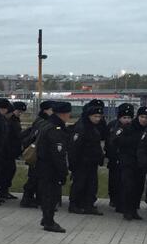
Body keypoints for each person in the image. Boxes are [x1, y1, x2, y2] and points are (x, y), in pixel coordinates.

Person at [37, 100, 72, 233]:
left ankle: (46, 218)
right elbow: (58, 154)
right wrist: (63, 172)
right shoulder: (55, 129)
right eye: (68, 113)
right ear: (62, 114)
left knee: (47, 194)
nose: (69, 116)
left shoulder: (47, 124)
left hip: (44, 165)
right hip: (50, 168)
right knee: (51, 195)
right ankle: (49, 221)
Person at [113, 106, 147, 221]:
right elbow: (116, 140)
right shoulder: (128, 128)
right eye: (142, 117)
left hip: (141, 164)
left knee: (138, 188)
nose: (144, 120)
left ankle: (134, 210)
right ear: (138, 116)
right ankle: (127, 210)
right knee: (128, 186)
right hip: (128, 162)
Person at [68, 104, 105, 215]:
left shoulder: (94, 127)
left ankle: (88, 204)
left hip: (92, 162)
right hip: (81, 162)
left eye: (99, 116)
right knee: (79, 184)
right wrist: (73, 163)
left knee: (92, 185)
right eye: (95, 116)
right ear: (89, 116)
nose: (97, 119)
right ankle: (74, 204)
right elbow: (74, 147)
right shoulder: (81, 127)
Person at [0, 101, 25, 200]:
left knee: (9, 170)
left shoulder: (15, 120)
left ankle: (4, 189)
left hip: (11, 150)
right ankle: (2, 190)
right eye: (19, 111)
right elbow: (12, 136)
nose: (19, 113)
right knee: (7, 171)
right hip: (7, 150)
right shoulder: (9, 120)